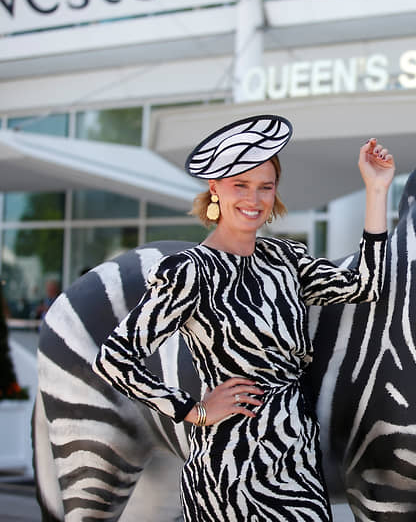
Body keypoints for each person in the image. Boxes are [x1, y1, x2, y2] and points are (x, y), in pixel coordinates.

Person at [93, 114, 394, 521]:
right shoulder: (190, 271)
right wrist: (193, 410)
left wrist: (376, 190)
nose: (253, 200)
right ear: (215, 189)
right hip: (228, 472)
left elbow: (365, 285)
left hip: (296, 459)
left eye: (264, 187)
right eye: (241, 186)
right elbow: (114, 358)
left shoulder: (285, 260)